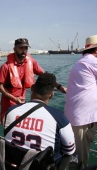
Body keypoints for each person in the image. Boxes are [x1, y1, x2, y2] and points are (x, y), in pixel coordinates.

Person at [4, 72, 75, 166]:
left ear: (32, 88)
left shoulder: (11, 111)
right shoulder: (59, 117)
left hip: (12, 164)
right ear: (51, 95)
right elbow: (69, 151)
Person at [0, 38, 66, 123]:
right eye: (21, 48)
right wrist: (14, 99)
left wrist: (59, 87)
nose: (24, 51)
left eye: (26, 48)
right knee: (8, 127)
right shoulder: (5, 67)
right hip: (8, 105)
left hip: (22, 103)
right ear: (14, 49)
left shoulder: (31, 62)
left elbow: (45, 76)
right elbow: (0, 86)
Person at [65, 34, 97, 169]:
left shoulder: (83, 62)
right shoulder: (92, 61)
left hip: (80, 117)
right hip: (83, 119)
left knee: (78, 156)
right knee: (80, 160)